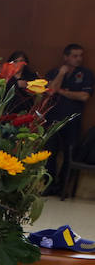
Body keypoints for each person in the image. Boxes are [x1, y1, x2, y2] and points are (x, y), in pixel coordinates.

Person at [44, 44, 93, 199]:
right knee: (49, 154)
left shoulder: (86, 74)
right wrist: (60, 75)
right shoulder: (54, 71)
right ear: (66, 57)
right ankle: (48, 185)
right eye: (75, 56)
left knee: (68, 154)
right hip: (53, 119)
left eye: (80, 56)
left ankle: (62, 187)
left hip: (73, 120)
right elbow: (50, 91)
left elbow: (84, 96)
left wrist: (63, 92)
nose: (79, 59)